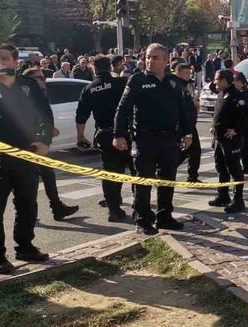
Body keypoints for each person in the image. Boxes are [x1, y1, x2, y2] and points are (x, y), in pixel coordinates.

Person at [0, 44, 52, 273]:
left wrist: (45, 141)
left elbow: (44, 113)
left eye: (4, 58)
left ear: (16, 63)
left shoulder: (27, 85)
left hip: (26, 154)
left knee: (27, 204)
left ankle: (25, 246)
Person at [114, 43, 192, 235]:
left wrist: (187, 133)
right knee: (144, 180)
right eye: (148, 57)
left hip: (169, 139)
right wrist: (118, 134)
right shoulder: (137, 80)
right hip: (145, 138)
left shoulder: (173, 82)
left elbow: (183, 110)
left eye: (155, 58)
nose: (150, 61)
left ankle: (165, 216)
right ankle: (143, 219)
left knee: (168, 180)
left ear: (166, 60)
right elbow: (123, 109)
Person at [75, 55, 131, 221]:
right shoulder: (121, 83)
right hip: (126, 133)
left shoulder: (89, 88)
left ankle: (113, 208)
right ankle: (138, 206)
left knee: (110, 171)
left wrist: (80, 137)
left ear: (94, 68)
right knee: (134, 169)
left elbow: (81, 116)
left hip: (104, 134)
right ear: (110, 67)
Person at [22, 67, 80, 221]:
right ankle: (25, 212)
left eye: (43, 77)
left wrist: (49, 130)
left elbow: (43, 116)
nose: (43, 80)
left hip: (40, 143)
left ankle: (57, 207)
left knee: (48, 174)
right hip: (28, 143)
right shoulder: (24, 95)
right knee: (26, 180)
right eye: (39, 78)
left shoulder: (41, 94)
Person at [208, 70, 247, 213]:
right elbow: (219, 113)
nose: (215, 82)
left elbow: (247, 116)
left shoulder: (236, 96)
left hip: (231, 140)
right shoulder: (222, 93)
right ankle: (223, 195)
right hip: (219, 138)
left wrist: (236, 130)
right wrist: (214, 127)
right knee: (221, 167)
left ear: (224, 81)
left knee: (235, 169)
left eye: (217, 80)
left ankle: (238, 200)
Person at [173, 63, 202, 183]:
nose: (188, 75)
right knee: (182, 152)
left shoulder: (187, 84)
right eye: (186, 73)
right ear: (178, 73)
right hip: (182, 125)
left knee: (195, 151)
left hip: (190, 123)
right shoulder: (176, 86)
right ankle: (163, 172)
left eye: (189, 73)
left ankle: (192, 176)